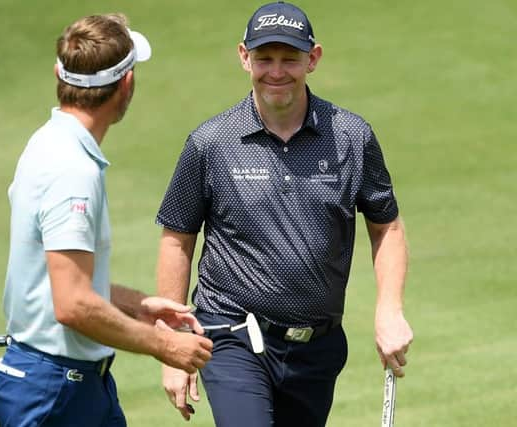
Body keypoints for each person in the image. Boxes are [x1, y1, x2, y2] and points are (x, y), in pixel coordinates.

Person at [155, 2, 413, 426]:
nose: (276, 71)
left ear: (312, 59)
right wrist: (171, 344)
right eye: (264, 59)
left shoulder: (351, 136)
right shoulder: (210, 143)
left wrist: (389, 309)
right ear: (244, 57)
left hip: (316, 348)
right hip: (231, 333)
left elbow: (386, 227)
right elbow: (177, 239)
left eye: (289, 59)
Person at [0, 13, 213, 427]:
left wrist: (139, 305)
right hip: (56, 393)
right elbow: (74, 304)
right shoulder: (72, 170)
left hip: (72, 386)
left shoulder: (47, 142)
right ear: (126, 84)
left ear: (61, 75)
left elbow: (63, 277)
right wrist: (164, 346)